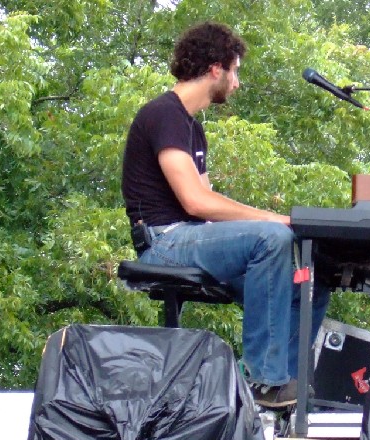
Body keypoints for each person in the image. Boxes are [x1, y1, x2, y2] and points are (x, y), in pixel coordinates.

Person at [122, 21, 329, 408]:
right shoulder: (163, 114)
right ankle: (266, 380)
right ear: (216, 67)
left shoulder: (192, 129)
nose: (237, 83)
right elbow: (196, 202)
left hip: (192, 238)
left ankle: (284, 390)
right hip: (166, 242)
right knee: (273, 238)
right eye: (235, 72)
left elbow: (210, 206)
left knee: (315, 282)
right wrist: (271, 219)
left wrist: (270, 223)